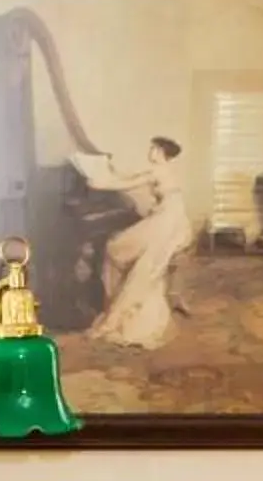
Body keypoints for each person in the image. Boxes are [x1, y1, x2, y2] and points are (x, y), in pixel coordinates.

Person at [70, 135, 192, 350]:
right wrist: (107, 172)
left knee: (118, 252)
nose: (150, 152)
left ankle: (124, 318)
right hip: (173, 218)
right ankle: (142, 315)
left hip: (166, 221)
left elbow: (125, 183)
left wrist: (96, 182)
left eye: (154, 148)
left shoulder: (156, 171)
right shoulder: (166, 171)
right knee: (144, 267)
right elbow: (127, 178)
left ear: (162, 152)